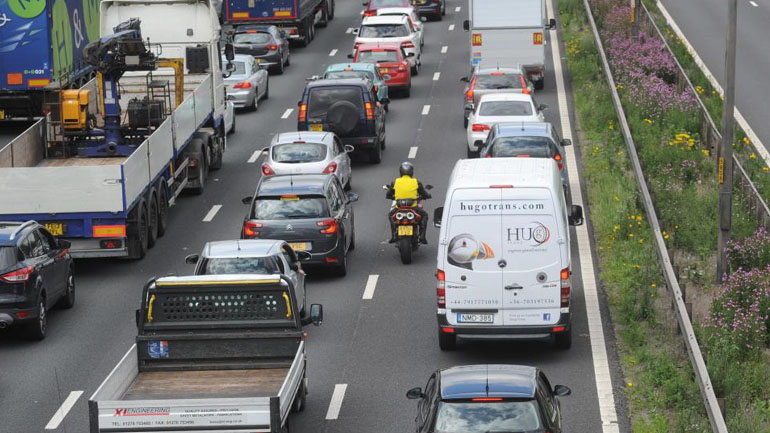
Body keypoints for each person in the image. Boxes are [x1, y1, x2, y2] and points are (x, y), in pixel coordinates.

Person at [386, 162, 431, 244]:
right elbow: (424, 193)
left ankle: (394, 236)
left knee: (390, 215)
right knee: (425, 215)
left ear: (400, 171)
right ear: (411, 172)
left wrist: (391, 197)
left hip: (399, 208)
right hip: (413, 208)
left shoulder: (395, 182)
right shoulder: (416, 182)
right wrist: (428, 195)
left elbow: (389, 194)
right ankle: (422, 237)